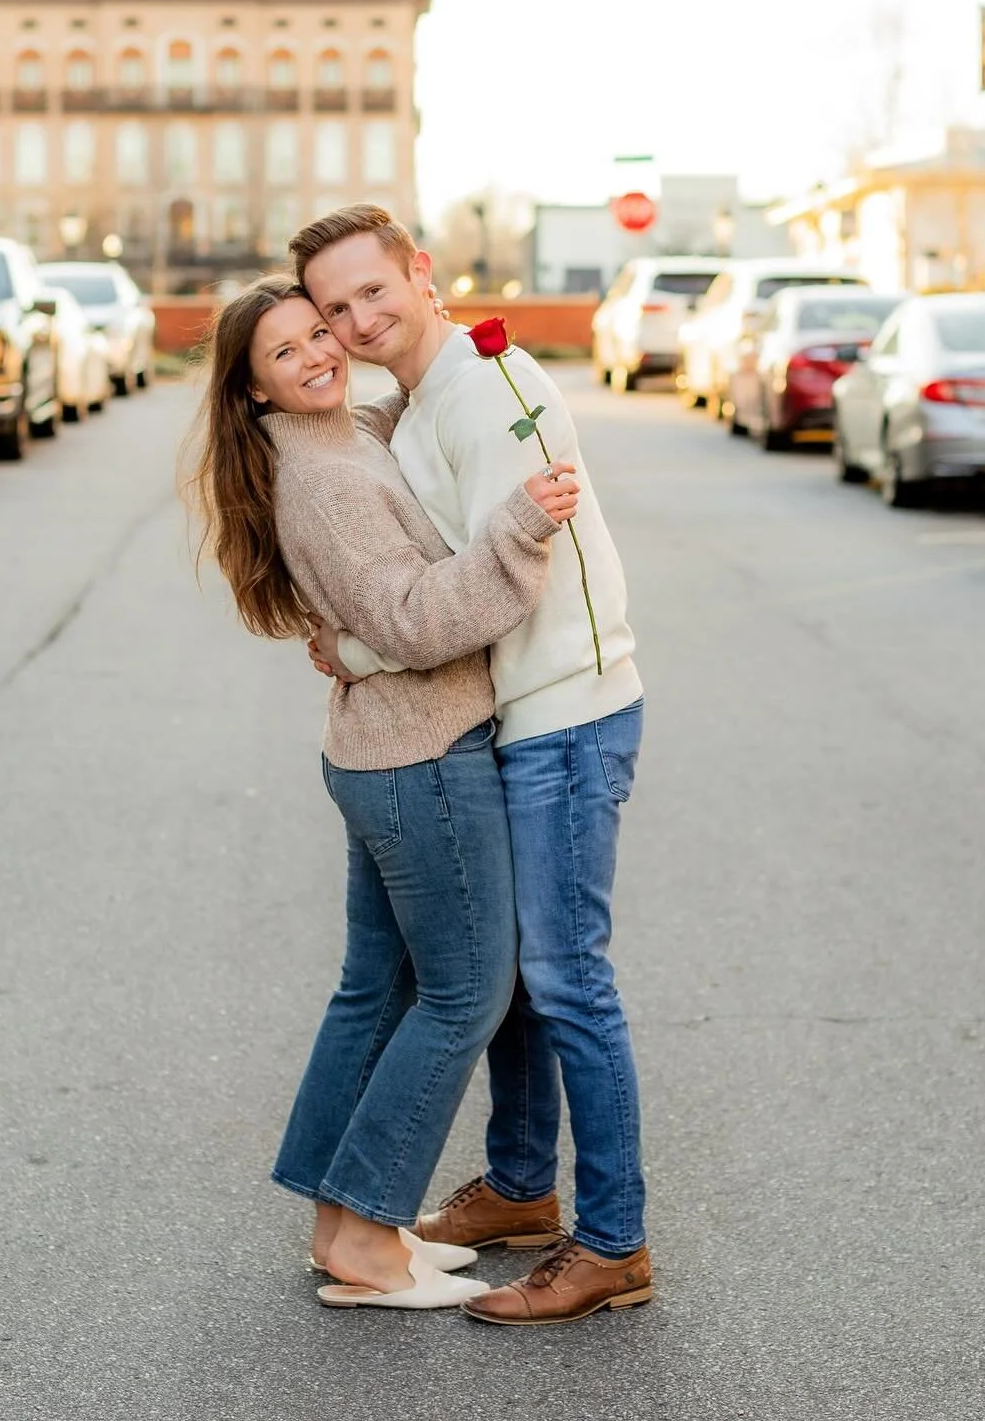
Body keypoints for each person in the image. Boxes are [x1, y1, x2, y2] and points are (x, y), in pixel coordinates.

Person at [182, 274, 582, 1311]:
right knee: (465, 995)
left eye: (318, 332)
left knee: (378, 991)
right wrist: (517, 528)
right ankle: (367, 1235)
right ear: (253, 389)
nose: (320, 353)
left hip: (383, 751)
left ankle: (339, 1224)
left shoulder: (336, 436)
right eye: (285, 352)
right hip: (422, 757)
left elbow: (397, 427)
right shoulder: (323, 478)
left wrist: (431, 350)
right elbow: (410, 618)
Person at [291, 206, 653, 1327]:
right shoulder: (412, 405)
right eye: (336, 307)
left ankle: (614, 1244)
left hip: (565, 712)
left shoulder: (490, 390)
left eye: (373, 290)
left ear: (421, 272)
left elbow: (501, 580)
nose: (358, 320)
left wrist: (355, 648)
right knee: (516, 981)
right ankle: (520, 1185)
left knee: (567, 980)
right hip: (510, 714)